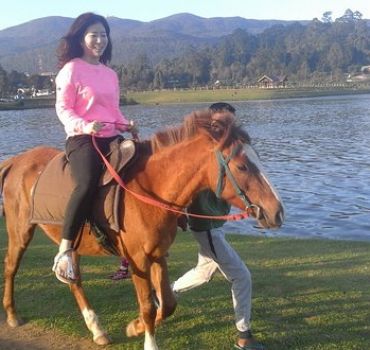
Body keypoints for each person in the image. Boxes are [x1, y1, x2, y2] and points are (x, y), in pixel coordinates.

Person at [171, 103, 265, 350]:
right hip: (206, 226)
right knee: (242, 276)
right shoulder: (202, 150)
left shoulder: (226, 150)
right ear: (212, 122)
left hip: (214, 224)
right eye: (222, 122)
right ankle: (244, 336)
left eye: (231, 123)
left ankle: (167, 294)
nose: (227, 128)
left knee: (203, 272)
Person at [53, 12, 136, 284]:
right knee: (87, 183)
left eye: (103, 35)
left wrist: (126, 125)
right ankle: (65, 248)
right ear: (81, 38)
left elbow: (113, 111)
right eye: (94, 35)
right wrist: (84, 126)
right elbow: (63, 108)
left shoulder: (110, 74)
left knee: (142, 169)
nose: (100, 40)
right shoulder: (72, 69)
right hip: (82, 138)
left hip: (111, 136)